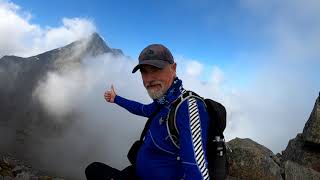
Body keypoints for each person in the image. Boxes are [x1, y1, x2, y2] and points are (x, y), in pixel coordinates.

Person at [85, 44, 210, 180]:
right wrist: (116, 99)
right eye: (144, 71)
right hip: (137, 172)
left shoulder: (188, 108)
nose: (148, 79)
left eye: (156, 69)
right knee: (93, 169)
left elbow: (197, 170)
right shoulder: (164, 101)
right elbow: (142, 109)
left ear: (173, 68)